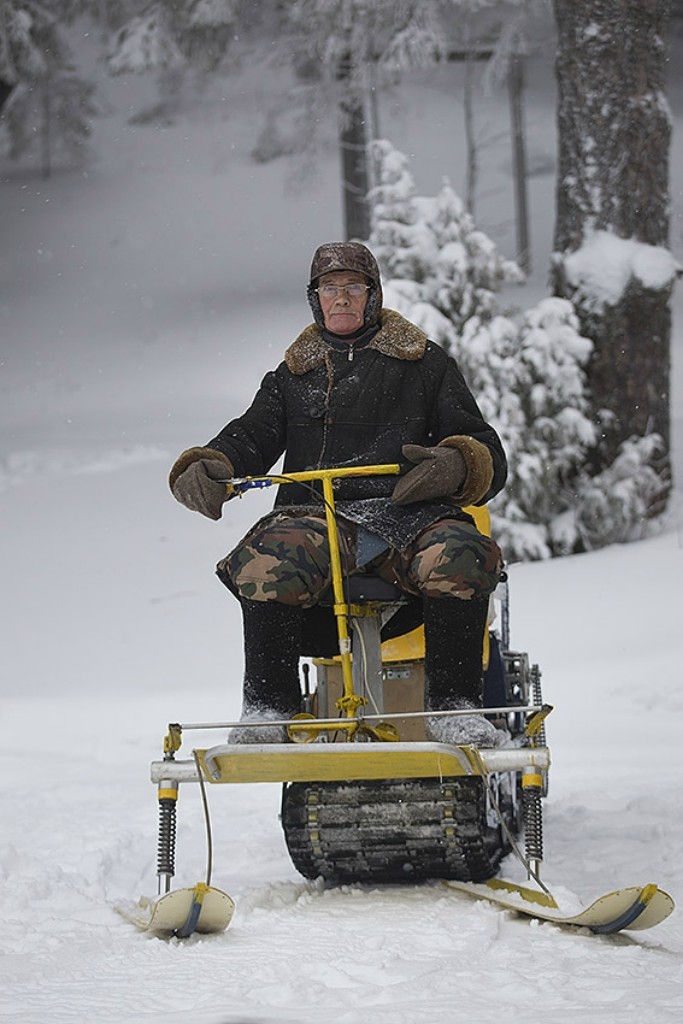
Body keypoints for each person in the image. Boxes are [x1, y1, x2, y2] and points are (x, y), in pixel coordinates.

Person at [169, 242, 507, 746]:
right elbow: (251, 436)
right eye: (330, 289)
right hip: (316, 518)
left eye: (353, 288)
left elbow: (485, 451)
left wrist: (454, 464)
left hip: (409, 517)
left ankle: (454, 707)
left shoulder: (426, 365)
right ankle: (268, 709)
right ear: (315, 299)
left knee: (462, 554)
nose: (341, 299)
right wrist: (210, 465)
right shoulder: (293, 376)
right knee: (264, 562)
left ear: (373, 296)